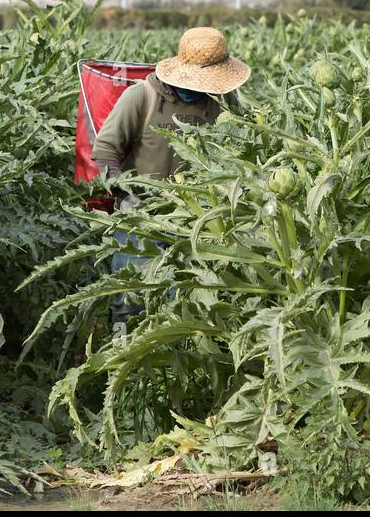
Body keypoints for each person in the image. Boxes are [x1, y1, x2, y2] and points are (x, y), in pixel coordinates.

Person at [91, 26, 251, 323]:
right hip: (142, 220)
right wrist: (126, 191)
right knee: (132, 301)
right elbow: (105, 151)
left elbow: (241, 149)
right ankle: (122, 356)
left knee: (191, 307)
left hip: (201, 222)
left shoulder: (225, 103)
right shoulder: (141, 98)